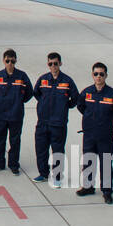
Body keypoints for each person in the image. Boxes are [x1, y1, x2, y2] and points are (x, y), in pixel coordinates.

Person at [76, 62, 113, 203]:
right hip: (89, 134)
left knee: (105, 163)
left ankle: (107, 191)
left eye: (101, 74)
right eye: (96, 74)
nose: (99, 77)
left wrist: (108, 120)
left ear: (106, 76)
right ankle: (88, 187)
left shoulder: (112, 94)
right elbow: (81, 106)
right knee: (88, 161)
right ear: (92, 75)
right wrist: (89, 119)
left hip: (105, 135)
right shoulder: (86, 92)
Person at [33, 52, 79, 185]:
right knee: (41, 149)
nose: (53, 66)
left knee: (57, 151)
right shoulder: (43, 80)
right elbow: (36, 93)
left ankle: (58, 177)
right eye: (50, 64)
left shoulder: (67, 81)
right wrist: (43, 107)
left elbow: (75, 98)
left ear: (60, 63)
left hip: (58, 123)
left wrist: (64, 107)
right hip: (43, 122)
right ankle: (43, 174)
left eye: (55, 63)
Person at [0, 49, 33, 174]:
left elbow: (29, 93)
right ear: (3, 61)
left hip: (16, 115)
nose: (10, 63)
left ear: (16, 61)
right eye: (7, 61)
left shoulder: (22, 76)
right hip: (0, 114)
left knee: (14, 141)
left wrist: (18, 102)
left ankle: (14, 164)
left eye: (12, 61)